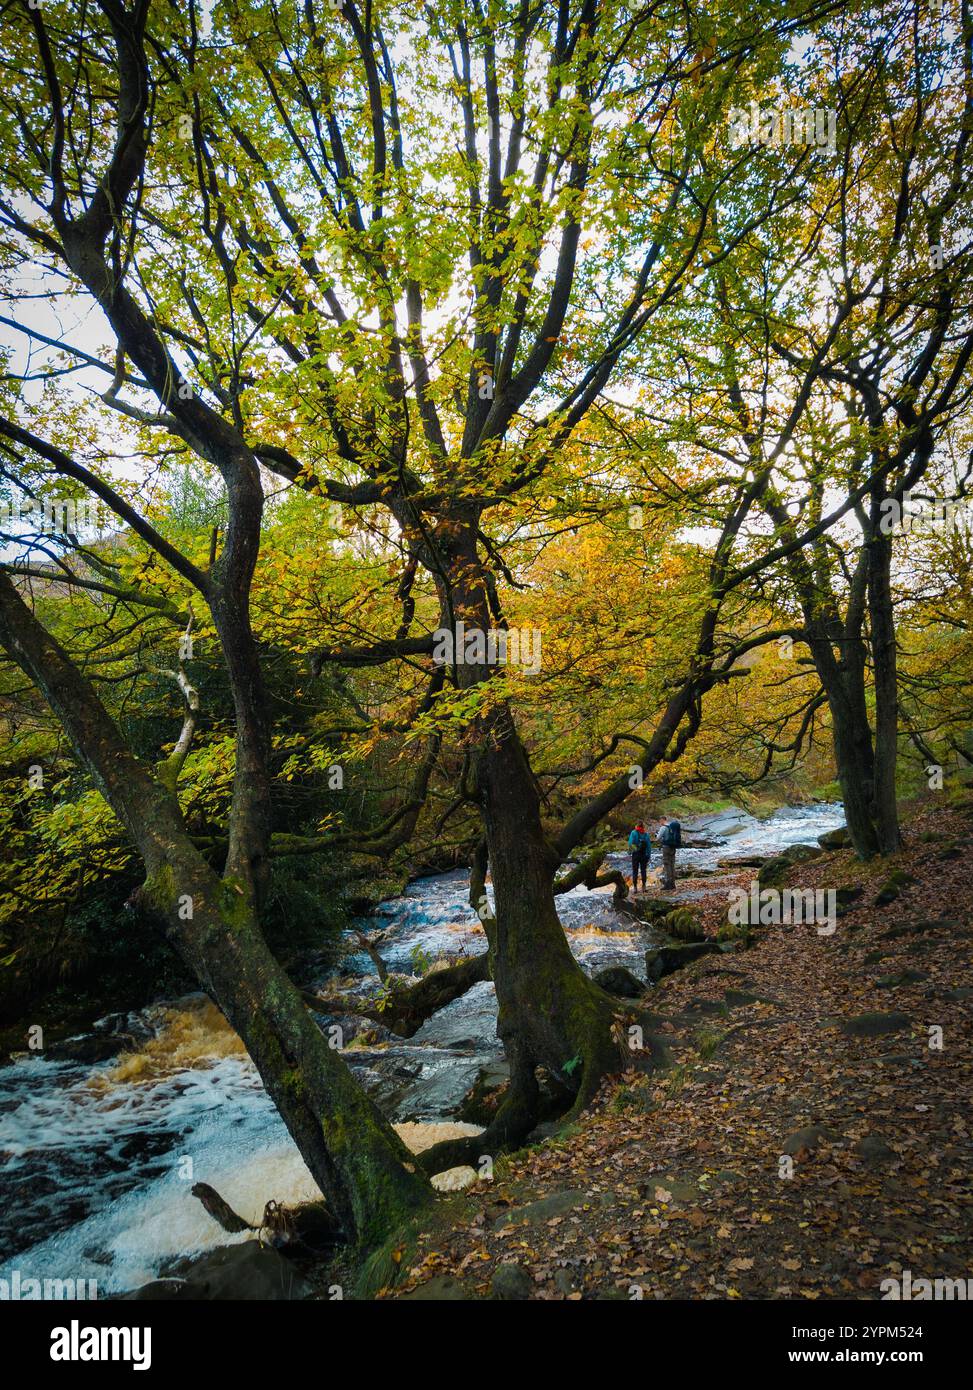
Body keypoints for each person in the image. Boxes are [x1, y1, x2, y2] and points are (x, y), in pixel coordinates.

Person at [657, 818, 682, 890]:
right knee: (672, 864)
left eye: (660, 821)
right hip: (673, 847)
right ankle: (673, 883)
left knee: (667, 865)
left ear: (662, 820)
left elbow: (658, 838)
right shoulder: (671, 827)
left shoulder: (664, 827)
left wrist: (658, 837)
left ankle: (668, 884)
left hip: (666, 848)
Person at [628, 821, 651, 892]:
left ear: (636, 825)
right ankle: (644, 886)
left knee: (635, 871)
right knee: (643, 870)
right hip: (644, 854)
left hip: (635, 854)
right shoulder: (646, 834)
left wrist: (630, 852)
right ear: (643, 826)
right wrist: (648, 855)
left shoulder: (633, 833)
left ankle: (635, 888)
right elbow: (648, 846)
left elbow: (630, 843)